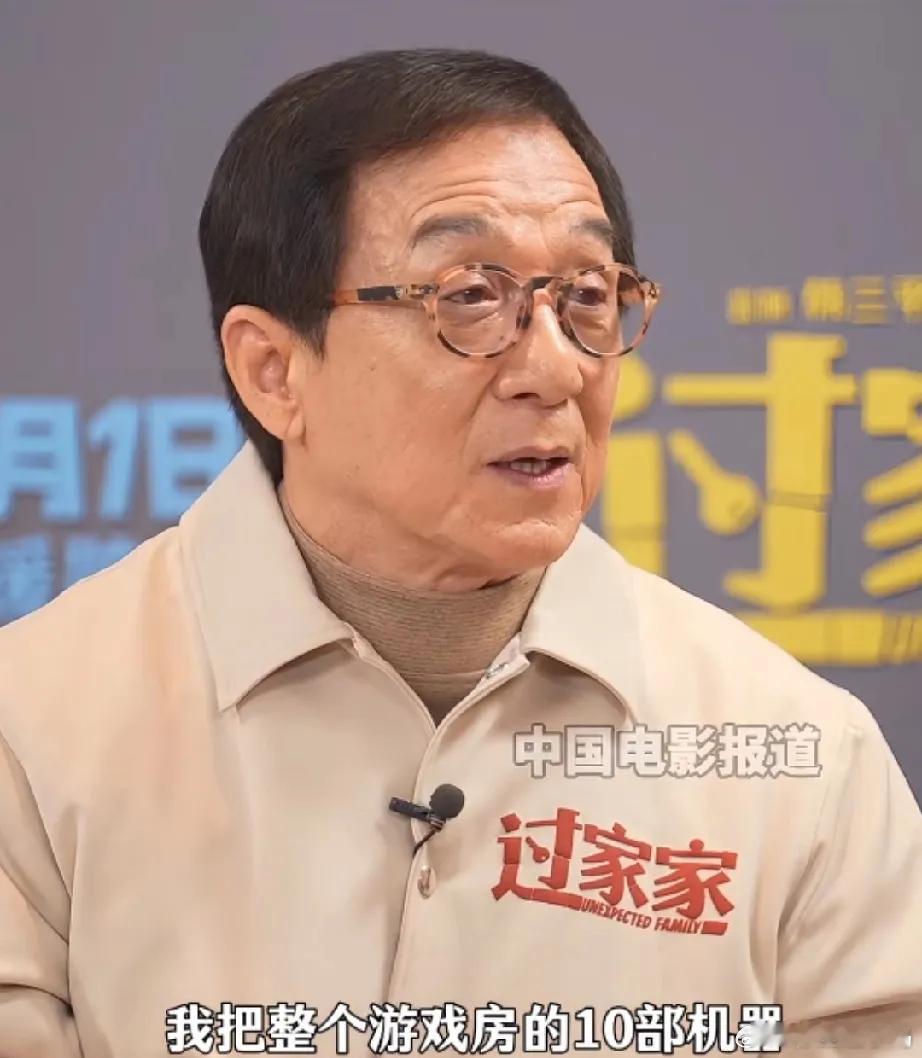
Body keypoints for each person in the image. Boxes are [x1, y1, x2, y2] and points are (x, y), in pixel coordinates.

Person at [0, 47, 919, 1058]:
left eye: (587, 295)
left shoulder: (798, 752)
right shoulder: (34, 726)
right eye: (471, 296)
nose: (555, 368)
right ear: (273, 371)